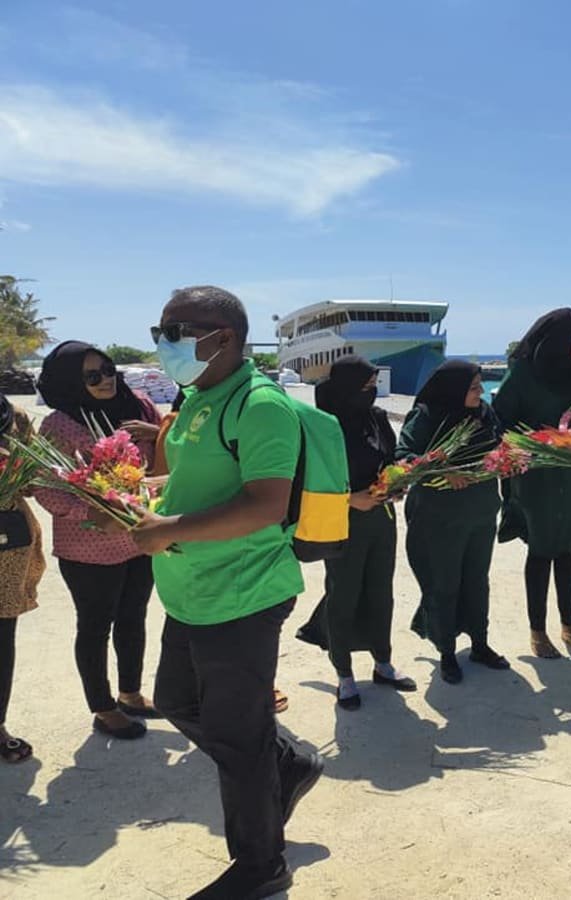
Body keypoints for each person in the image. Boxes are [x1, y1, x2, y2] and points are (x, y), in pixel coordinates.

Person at [131, 286, 323, 899]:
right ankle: (287, 763)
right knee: (177, 701)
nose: (163, 343)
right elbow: (195, 479)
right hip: (191, 587)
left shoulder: (260, 405)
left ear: (224, 338)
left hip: (243, 593)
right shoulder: (197, 398)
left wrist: (170, 528)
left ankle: (261, 866)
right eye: (159, 331)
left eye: (175, 332)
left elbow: (266, 504)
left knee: (240, 740)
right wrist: (141, 497)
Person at [33, 341, 162, 740]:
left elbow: (168, 453)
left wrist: (158, 431)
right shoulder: (58, 424)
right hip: (88, 547)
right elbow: (45, 487)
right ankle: (103, 708)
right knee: (95, 627)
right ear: (70, 381)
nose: (106, 380)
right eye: (92, 376)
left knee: (133, 618)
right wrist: (91, 515)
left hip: (139, 537)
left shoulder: (139, 406)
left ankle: (130, 693)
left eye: (108, 370)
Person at [313, 356, 415, 709]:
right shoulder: (324, 426)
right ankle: (343, 673)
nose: (371, 393)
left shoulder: (377, 418)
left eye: (374, 386)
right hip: (342, 522)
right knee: (343, 594)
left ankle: (383, 662)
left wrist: (398, 482)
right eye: (366, 387)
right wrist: (349, 500)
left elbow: (391, 457)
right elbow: (308, 479)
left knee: (380, 592)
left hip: (381, 518)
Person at [399, 360, 509, 684]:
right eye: (474, 387)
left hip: (481, 513)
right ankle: (446, 651)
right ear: (454, 389)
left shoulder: (484, 413)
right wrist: (442, 471)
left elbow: (501, 443)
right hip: (440, 519)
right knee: (444, 584)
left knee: (477, 580)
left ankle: (480, 644)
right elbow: (403, 456)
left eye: (480, 385)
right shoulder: (427, 415)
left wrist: (507, 458)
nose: (481, 392)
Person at [493, 309, 571, 659]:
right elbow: (500, 423)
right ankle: (537, 630)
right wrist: (540, 439)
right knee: (541, 550)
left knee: (568, 550)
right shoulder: (523, 374)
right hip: (537, 478)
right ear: (560, 340)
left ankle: (569, 624)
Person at [0, 395, 46, 764]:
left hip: (6, 545)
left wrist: (18, 473)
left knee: (2, 637)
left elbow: (34, 479)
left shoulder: (13, 416)